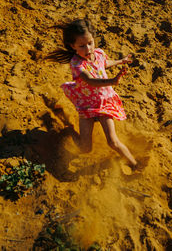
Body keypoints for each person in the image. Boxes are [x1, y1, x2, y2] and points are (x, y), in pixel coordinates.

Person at [47, 18, 137, 167]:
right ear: (72, 46)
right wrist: (112, 81)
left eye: (90, 43)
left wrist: (121, 61)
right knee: (85, 148)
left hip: (104, 103)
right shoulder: (76, 64)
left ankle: (134, 164)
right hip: (87, 105)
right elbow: (90, 81)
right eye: (82, 46)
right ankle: (70, 130)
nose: (88, 49)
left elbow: (104, 64)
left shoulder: (99, 53)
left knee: (113, 141)